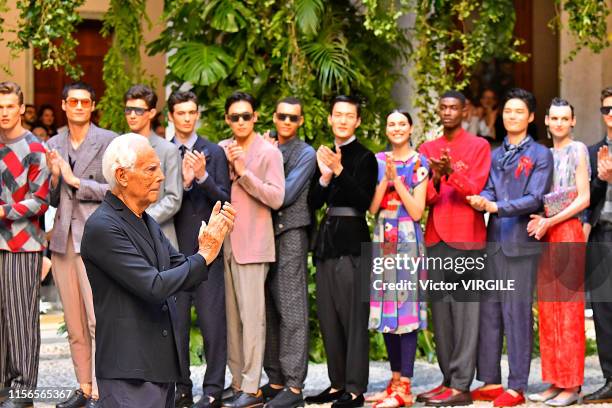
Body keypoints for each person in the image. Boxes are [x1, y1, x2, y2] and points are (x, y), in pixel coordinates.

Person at [80, 133, 235, 408]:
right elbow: (153, 286)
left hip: (158, 368)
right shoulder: (103, 226)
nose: (162, 176)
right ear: (122, 176)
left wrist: (208, 248)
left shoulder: (144, 220)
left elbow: (179, 268)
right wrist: (204, 255)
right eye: (151, 169)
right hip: (129, 371)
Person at [467, 88, 553, 407]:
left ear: (530, 117)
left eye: (518, 111)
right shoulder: (495, 152)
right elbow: (489, 189)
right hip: (493, 242)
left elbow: (535, 198)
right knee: (490, 312)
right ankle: (490, 380)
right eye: (507, 111)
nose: (511, 116)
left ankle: (517, 385)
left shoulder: (541, 155)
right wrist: (481, 201)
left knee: (517, 314)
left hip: (520, 243)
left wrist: (494, 207)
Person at [417, 91, 491, 406]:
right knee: (442, 316)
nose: (448, 112)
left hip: (468, 238)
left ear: (465, 111)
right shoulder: (427, 148)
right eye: (443, 107)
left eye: (454, 107)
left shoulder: (479, 146)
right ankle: (447, 379)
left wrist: (450, 172)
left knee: (466, 314)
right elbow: (427, 200)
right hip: (436, 237)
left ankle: (462, 385)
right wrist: (434, 176)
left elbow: (475, 188)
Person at [46, 81, 118, 408]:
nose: (78, 106)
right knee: (74, 321)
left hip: (96, 239)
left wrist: (76, 182)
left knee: (96, 318)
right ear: (63, 105)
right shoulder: (53, 143)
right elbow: (49, 198)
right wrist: (53, 178)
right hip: (62, 240)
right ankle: (84, 386)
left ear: (92, 106)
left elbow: (116, 189)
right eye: (72, 101)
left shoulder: (108, 141)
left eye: (84, 102)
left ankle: (105, 387)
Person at [306, 95, 377, 408]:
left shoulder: (365, 157)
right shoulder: (323, 153)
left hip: (353, 242)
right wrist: (324, 174)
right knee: (329, 317)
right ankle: (336, 384)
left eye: (350, 115)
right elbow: (313, 202)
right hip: (326, 242)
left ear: (358, 121)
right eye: (338, 114)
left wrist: (338, 171)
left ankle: (354, 389)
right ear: (330, 118)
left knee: (352, 317)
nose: (343, 120)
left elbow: (363, 202)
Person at [219, 92, 285, 408]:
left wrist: (243, 172)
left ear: (256, 117)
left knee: (253, 319)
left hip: (254, 246)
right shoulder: (221, 149)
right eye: (235, 117)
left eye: (246, 115)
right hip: (225, 244)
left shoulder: (269, 152)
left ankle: (251, 387)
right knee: (231, 320)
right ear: (227, 120)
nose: (241, 121)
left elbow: (276, 198)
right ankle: (236, 384)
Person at [168, 90, 230, 408]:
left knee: (212, 323)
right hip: (173, 253)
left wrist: (202, 176)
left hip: (208, 251)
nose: (188, 118)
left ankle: (214, 389)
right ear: (171, 116)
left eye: (192, 112)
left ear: (198, 115)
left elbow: (225, 197)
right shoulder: (165, 152)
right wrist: (184, 182)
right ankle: (181, 387)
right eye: (181, 113)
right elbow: (160, 199)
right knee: (176, 325)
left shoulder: (214, 151)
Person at [526, 98, 589, 406]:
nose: (560, 123)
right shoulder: (544, 154)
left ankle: (573, 385)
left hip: (567, 231)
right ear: (547, 122)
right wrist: (541, 219)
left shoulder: (578, 150)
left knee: (568, 311)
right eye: (555, 118)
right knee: (549, 309)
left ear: (573, 122)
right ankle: (554, 380)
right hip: (546, 232)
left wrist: (550, 219)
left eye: (566, 118)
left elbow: (584, 198)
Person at [365, 110, 428, 408]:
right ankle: (394, 380)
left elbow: (417, 212)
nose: (397, 128)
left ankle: (406, 387)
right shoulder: (378, 161)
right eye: (391, 124)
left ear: (411, 128)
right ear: (386, 129)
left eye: (402, 123)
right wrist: (384, 180)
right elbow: (373, 207)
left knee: (407, 311)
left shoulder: (419, 162)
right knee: (388, 311)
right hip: (383, 239)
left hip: (407, 241)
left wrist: (397, 182)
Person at [260, 97, 316, 408]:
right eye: (281, 116)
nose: (286, 122)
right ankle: (276, 379)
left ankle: (294, 387)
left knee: (292, 308)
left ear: (301, 121)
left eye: (293, 118)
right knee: (268, 308)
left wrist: (268, 156)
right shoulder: (265, 144)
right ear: (274, 116)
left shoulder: (305, 153)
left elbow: (284, 194)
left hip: (291, 233)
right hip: (262, 234)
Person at [0, 81, 50, 408]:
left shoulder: (35, 149)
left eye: (9, 107)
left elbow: (41, 201)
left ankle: (22, 391)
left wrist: (3, 211)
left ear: (21, 109)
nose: (4, 113)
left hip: (24, 244)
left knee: (20, 319)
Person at [124, 84, 182, 248]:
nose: (132, 115)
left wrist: (138, 218)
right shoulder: (119, 147)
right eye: (128, 110)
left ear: (151, 113)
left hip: (159, 235)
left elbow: (174, 198)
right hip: (125, 237)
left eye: (138, 111)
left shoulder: (168, 150)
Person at [583, 86, 612, 404]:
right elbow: (588, 197)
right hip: (601, 236)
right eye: (606, 109)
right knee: (604, 311)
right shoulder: (593, 152)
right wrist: (601, 178)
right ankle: (610, 379)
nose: (611, 115)